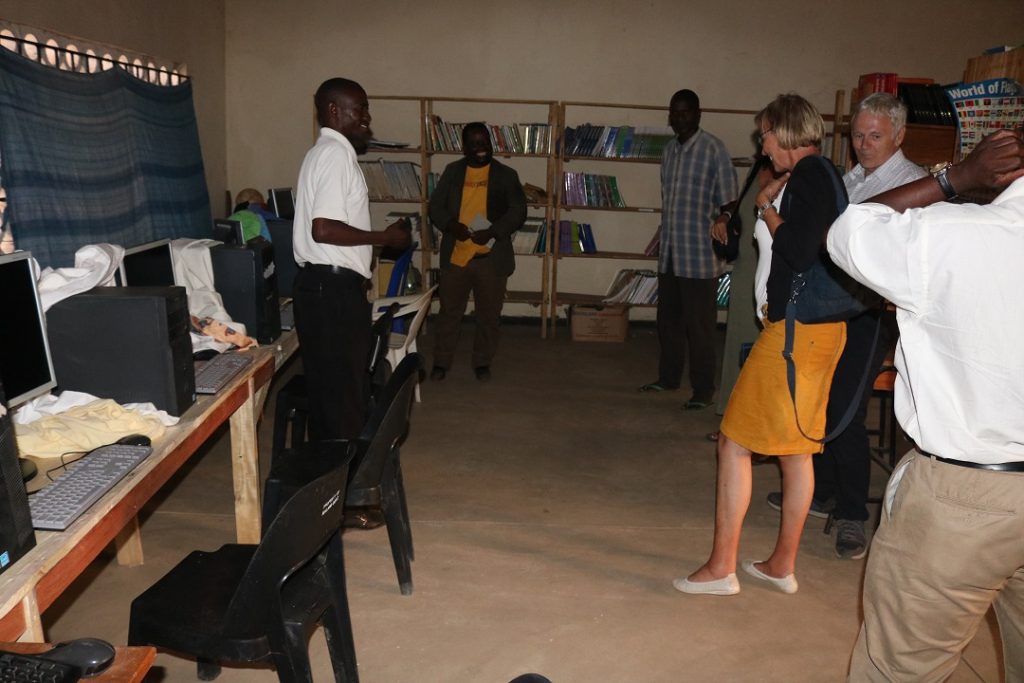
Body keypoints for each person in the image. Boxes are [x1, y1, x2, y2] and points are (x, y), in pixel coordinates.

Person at [826, 129, 1024, 681]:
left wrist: (954, 177)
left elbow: (849, 228)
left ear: (1001, 164)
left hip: (965, 494)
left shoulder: (952, 234)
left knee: (901, 667)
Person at [674, 94, 847, 597]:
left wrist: (767, 209)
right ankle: (780, 565)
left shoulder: (810, 175)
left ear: (789, 131)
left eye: (767, 133)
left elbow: (797, 249)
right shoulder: (813, 176)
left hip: (795, 333)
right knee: (796, 452)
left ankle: (720, 568)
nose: (763, 142)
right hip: (813, 331)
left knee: (733, 443)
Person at [765, 92, 927, 559]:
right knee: (821, 399)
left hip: (874, 311)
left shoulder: (914, 185)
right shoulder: (849, 178)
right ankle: (827, 491)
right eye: (857, 135)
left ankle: (854, 514)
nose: (864, 144)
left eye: (875, 136)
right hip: (837, 304)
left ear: (898, 135)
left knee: (847, 410)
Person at [292, 77, 411, 440]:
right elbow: (324, 229)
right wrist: (385, 238)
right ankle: (338, 487)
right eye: (359, 109)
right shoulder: (334, 154)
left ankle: (335, 481)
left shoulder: (326, 153)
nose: (366, 118)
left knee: (338, 397)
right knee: (341, 403)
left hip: (329, 289)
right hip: (332, 292)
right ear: (333, 110)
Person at [640, 89, 738, 410]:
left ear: (698, 114)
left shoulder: (714, 150)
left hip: (698, 259)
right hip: (670, 253)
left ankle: (703, 390)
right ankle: (668, 378)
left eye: (686, 112)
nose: (680, 118)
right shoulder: (669, 151)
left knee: (700, 329)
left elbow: (729, 202)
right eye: (675, 112)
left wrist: (723, 218)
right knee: (667, 323)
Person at [428, 122, 527, 382]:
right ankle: (441, 362)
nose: (481, 148)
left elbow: (518, 211)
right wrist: (451, 226)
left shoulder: (506, 175)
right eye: (474, 144)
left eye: (485, 142)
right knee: (449, 314)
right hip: (457, 256)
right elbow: (435, 207)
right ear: (464, 147)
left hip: (490, 259)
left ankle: (482, 362)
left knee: (489, 316)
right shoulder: (452, 172)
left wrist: (493, 231)